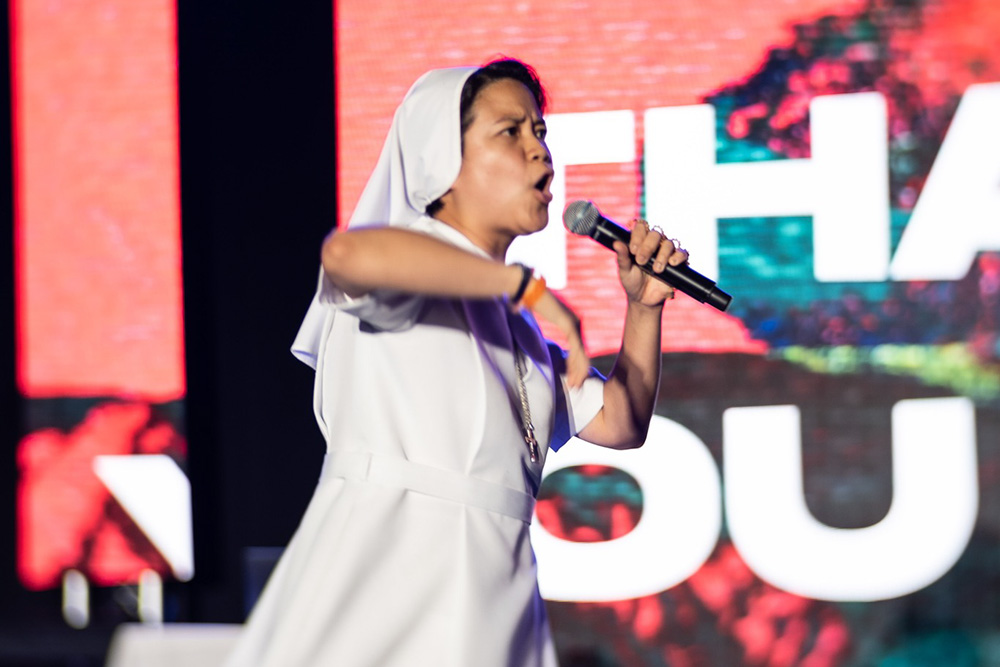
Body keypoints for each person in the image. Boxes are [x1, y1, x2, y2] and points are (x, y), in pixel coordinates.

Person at [223, 58, 687, 667]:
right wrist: (526, 287)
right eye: (510, 132)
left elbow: (622, 423)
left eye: (540, 132)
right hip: (392, 578)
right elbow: (347, 254)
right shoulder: (410, 267)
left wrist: (643, 308)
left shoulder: (513, 323)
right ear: (441, 162)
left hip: (497, 591)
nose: (539, 151)